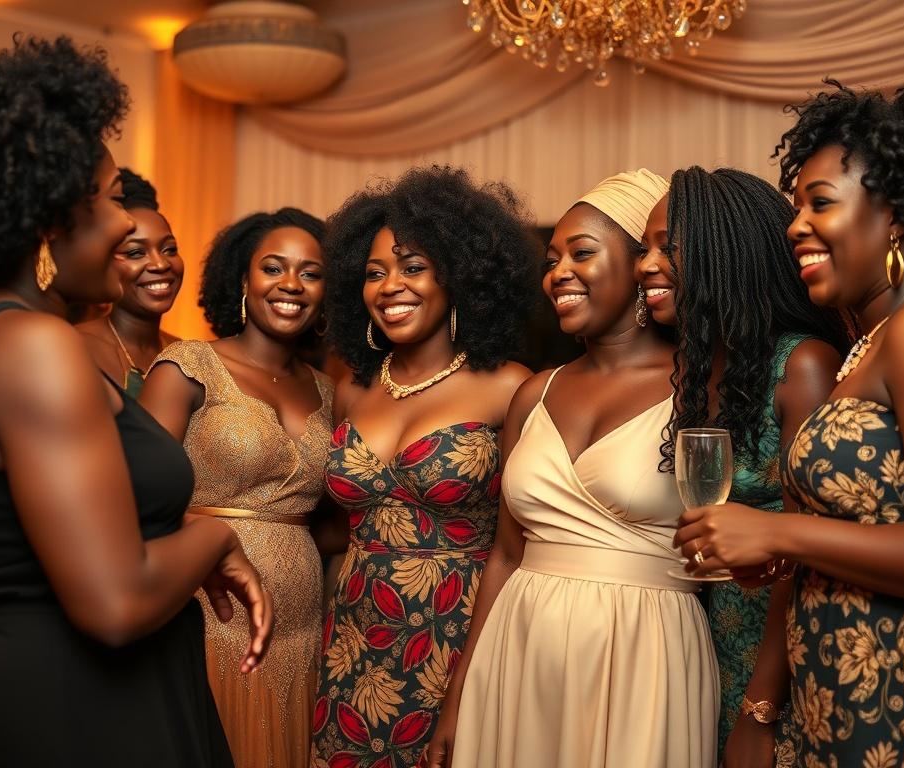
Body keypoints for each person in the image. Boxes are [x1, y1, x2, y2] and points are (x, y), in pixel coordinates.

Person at [0, 36, 270, 767]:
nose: (130, 223)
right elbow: (116, 605)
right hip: (76, 704)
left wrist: (181, 522)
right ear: (45, 224)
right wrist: (216, 540)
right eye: (107, 200)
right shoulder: (33, 349)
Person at [675, 82, 904, 766]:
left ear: (895, 214)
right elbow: (877, 522)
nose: (795, 227)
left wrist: (780, 529)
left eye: (820, 203)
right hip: (841, 700)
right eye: (795, 208)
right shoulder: (871, 342)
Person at [428, 169, 718, 768]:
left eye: (581, 253)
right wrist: (459, 693)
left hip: (646, 650)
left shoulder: (703, 390)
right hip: (521, 642)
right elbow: (506, 554)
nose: (558, 273)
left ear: (645, 265)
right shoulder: (534, 393)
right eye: (552, 259)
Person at [310, 166, 536, 768]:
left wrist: (463, 695)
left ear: (459, 276)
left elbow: (517, 549)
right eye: (374, 273)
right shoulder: (352, 390)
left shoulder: (510, 388)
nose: (390, 287)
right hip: (353, 637)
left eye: (412, 268)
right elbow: (333, 527)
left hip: (457, 635)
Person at [636, 167, 849, 764]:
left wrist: (761, 708)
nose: (645, 265)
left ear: (724, 252)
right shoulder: (696, 372)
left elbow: (809, 548)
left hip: (777, 651)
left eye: (665, 247)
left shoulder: (802, 365)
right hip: (704, 637)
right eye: (643, 249)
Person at [139, 207, 332, 768]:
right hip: (209, 612)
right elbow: (139, 498)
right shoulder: (187, 366)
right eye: (273, 267)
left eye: (311, 272)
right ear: (242, 280)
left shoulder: (329, 389)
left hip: (302, 628)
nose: (291, 284)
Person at [79, 168, 182, 397]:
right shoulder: (78, 347)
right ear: (105, 262)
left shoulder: (186, 353)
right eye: (136, 253)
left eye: (170, 249)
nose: (160, 264)